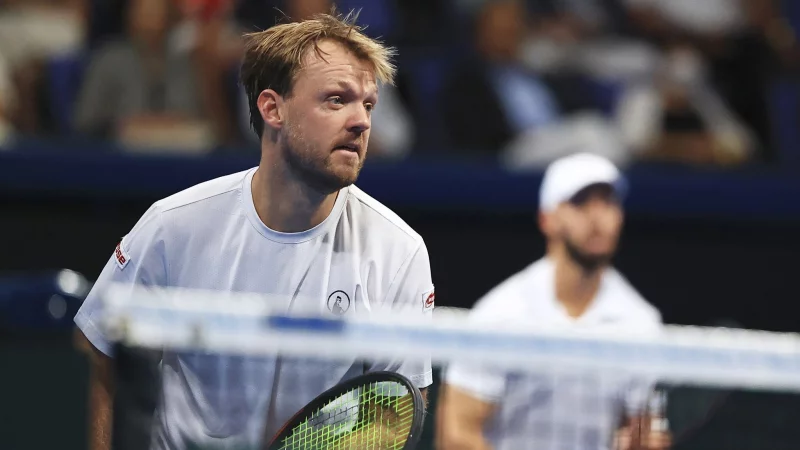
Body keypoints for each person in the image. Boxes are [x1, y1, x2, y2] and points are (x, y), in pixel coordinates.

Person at [73, 10, 434, 450]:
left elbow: (390, 412)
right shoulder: (173, 225)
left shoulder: (400, 251)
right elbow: (99, 353)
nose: (361, 121)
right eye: (337, 100)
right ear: (272, 108)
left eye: (368, 104)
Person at [437, 153, 671, 450]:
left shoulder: (641, 323)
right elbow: (456, 434)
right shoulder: (499, 315)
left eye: (608, 202)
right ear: (547, 219)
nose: (598, 216)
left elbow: (643, 431)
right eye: (581, 202)